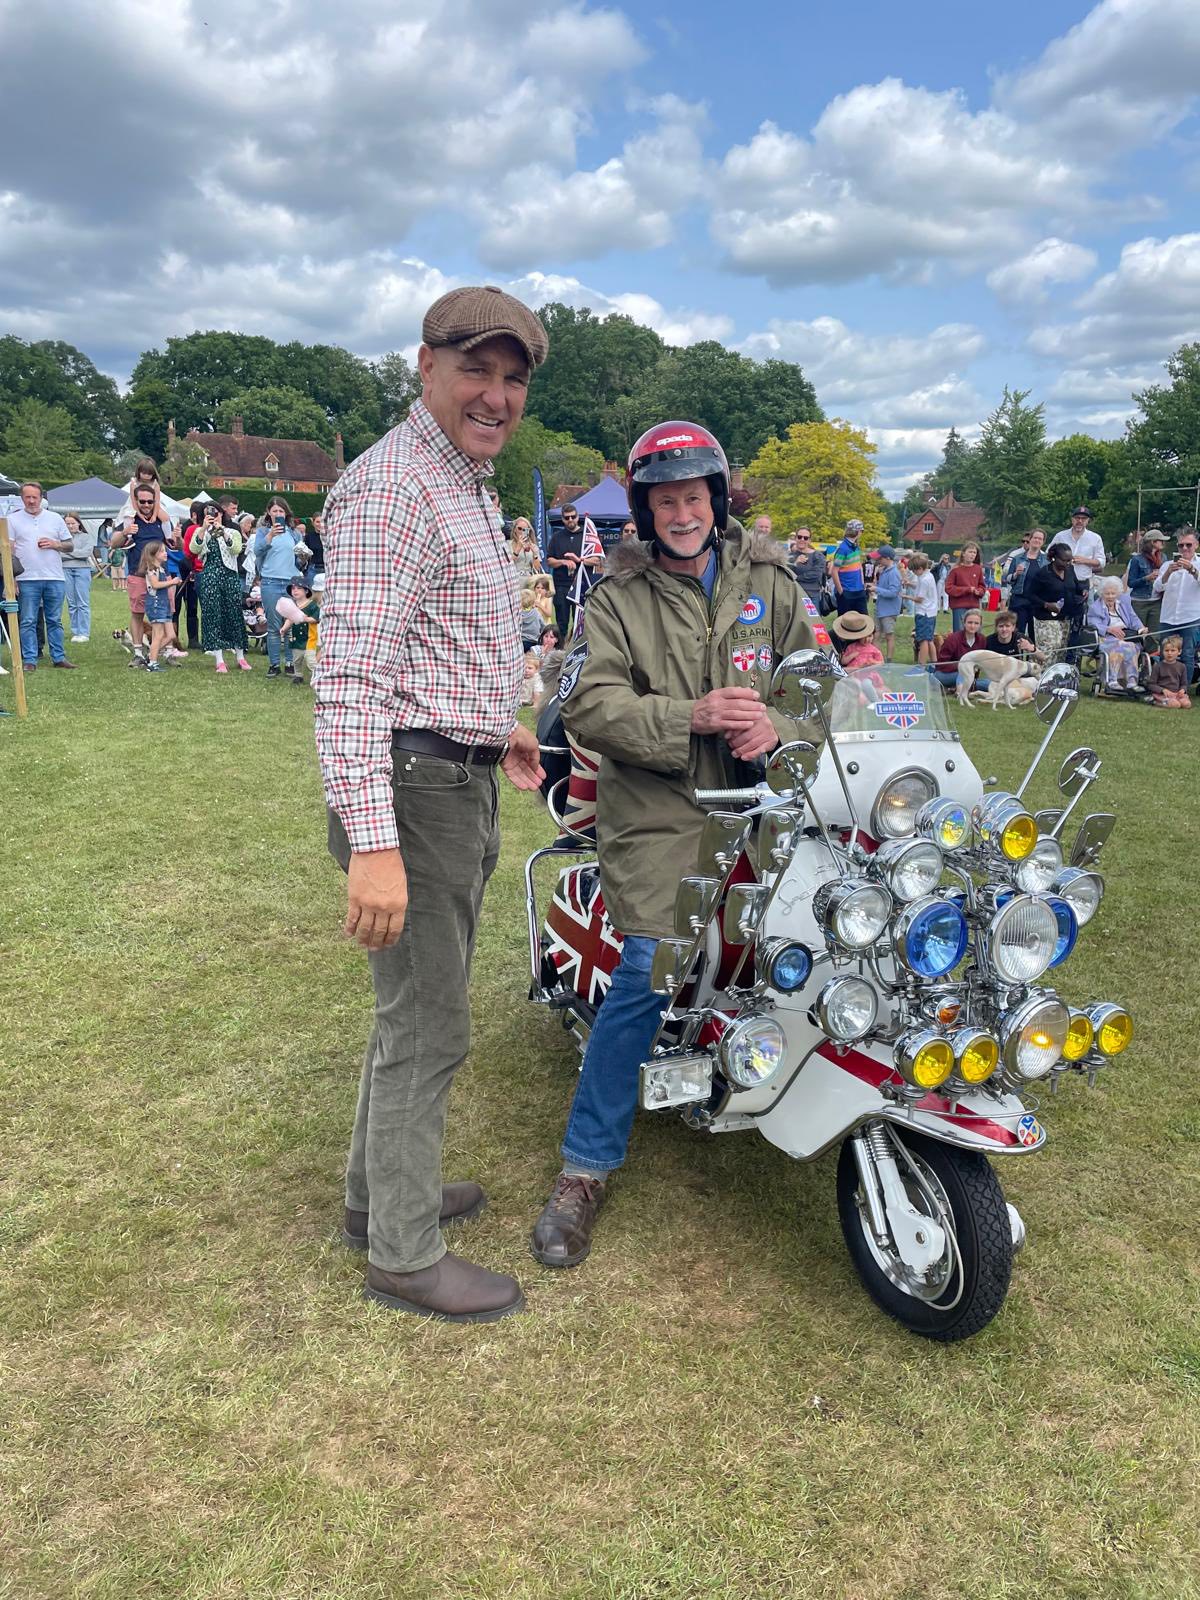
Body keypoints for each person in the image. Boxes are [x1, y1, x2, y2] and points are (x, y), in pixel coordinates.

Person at [528, 419, 821, 1270]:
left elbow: (827, 690)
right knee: (652, 961)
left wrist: (782, 722)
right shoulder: (614, 595)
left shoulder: (774, 580)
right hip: (659, 810)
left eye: (693, 497)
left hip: (766, 803)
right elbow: (584, 705)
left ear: (716, 497)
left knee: (829, 930)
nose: (681, 514)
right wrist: (686, 719)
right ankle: (585, 1168)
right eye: (664, 501)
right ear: (645, 510)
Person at [315, 283, 548, 1324]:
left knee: (409, 1012)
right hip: (411, 794)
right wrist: (374, 843)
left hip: (452, 773)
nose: (496, 394)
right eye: (475, 370)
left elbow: (435, 642)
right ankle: (405, 1253)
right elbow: (353, 678)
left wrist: (498, 718)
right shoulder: (395, 486)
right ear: (425, 366)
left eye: (513, 377)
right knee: (432, 1028)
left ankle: (379, 1199)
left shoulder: (461, 479)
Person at [110, 481, 180, 667]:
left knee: (167, 614)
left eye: (150, 501)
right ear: (135, 501)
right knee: (138, 613)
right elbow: (113, 543)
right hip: (138, 574)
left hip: (161, 575)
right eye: (142, 501)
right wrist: (125, 532)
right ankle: (139, 653)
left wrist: (178, 537)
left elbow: (175, 545)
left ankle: (167, 652)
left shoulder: (162, 520)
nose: (146, 505)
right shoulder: (129, 518)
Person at [7, 482, 75, 671]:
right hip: (26, 577)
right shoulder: (12, 520)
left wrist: (55, 544)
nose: (31, 501)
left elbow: (70, 546)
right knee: (28, 619)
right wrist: (12, 579)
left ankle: (58, 657)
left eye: (34, 497)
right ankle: (30, 659)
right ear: (22, 498)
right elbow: (9, 551)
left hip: (54, 577)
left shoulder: (55, 518)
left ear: (41, 498)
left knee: (55, 619)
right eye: (27, 497)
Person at [252, 496, 310, 680]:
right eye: (275, 511)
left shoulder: (295, 534)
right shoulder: (263, 531)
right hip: (270, 581)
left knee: (292, 625)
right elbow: (257, 551)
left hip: (290, 582)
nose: (278, 514)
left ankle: (291, 663)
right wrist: (270, 535)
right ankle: (274, 664)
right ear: (269, 512)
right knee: (274, 626)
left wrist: (304, 558)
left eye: (281, 511)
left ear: (286, 513)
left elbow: (300, 561)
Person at [193, 508, 251, 673]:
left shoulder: (233, 531)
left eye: (215, 513)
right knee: (213, 614)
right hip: (210, 576)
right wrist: (204, 529)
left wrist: (223, 531)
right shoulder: (201, 531)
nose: (212, 517)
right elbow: (194, 549)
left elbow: (236, 550)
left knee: (234, 613)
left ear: (221, 515)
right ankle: (219, 659)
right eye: (207, 514)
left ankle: (240, 656)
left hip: (230, 576)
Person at [1152, 527, 1200, 686]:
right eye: (1181, 545)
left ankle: (1183, 688)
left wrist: (1192, 570)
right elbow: (1157, 588)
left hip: (1190, 617)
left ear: (1196, 545)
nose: (1185, 548)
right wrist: (1167, 573)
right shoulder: (1167, 565)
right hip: (1168, 616)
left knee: (1187, 654)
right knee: (1165, 653)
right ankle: (1165, 685)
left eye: (1188, 545)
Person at [546, 504, 602, 637]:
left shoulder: (587, 535)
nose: (570, 519)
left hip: (581, 584)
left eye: (573, 516)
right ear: (563, 519)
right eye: (567, 517)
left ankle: (579, 652)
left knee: (581, 622)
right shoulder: (557, 537)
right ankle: (560, 652)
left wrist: (579, 560)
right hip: (561, 585)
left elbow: (596, 560)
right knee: (561, 623)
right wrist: (563, 562)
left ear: (578, 517)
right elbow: (549, 561)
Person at [1087, 577, 1148, 695]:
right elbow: (1092, 623)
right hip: (1106, 639)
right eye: (1107, 593)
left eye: (1113, 593)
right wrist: (1109, 628)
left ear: (1118, 593)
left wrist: (1141, 628)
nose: (1110, 596)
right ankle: (1112, 681)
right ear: (1101, 593)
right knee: (1122, 646)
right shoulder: (1096, 607)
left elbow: (1133, 618)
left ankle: (1131, 682)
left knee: (1130, 646)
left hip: (1126, 638)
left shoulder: (1123, 604)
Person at [1026, 540, 1085, 660]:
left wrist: (1083, 592)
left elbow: (1077, 586)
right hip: (1046, 618)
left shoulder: (1070, 570)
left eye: (1070, 560)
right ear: (1054, 558)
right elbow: (1030, 594)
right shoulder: (1043, 573)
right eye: (1064, 560)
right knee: (1048, 650)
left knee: (1060, 651)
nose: (1068, 563)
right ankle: (1039, 676)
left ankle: (1055, 677)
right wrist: (1046, 605)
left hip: (1065, 618)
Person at [139, 542, 179, 672]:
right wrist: (172, 582)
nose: (165, 553)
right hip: (156, 604)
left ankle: (150, 656)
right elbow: (155, 585)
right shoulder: (152, 569)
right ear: (153, 555)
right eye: (162, 551)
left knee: (171, 634)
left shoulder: (161, 568)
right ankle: (153, 663)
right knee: (158, 634)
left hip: (164, 604)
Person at [1004, 530, 1046, 640]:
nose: (1037, 540)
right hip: (1019, 601)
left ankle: (1032, 657)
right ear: (1030, 540)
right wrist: (1015, 574)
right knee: (1017, 633)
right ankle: (1016, 656)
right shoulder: (1018, 558)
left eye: (1040, 539)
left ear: (1043, 542)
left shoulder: (1046, 560)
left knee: (1035, 635)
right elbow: (1007, 579)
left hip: (1037, 602)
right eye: (1035, 538)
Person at [930, 608, 986, 688]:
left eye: (976, 623)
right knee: (963, 675)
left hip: (970, 675)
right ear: (964, 623)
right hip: (946, 674)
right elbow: (941, 665)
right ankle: (964, 688)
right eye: (970, 622)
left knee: (989, 684)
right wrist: (962, 666)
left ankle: (968, 685)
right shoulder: (953, 639)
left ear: (980, 625)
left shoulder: (982, 639)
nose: (972, 626)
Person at [61, 512, 95, 643]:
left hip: (82, 570)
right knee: (71, 602)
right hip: (65, 569)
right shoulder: (61, 538)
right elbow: (58, 553)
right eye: (67, 524)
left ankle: (84, 632)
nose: (70, 526)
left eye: (72, 523)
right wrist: (75, 553)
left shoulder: (86, 537)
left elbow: (86, 553)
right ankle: (76, 631)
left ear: (78, 523)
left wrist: (67, 552)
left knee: (82, 601)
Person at [1054, 506, 1105, 589]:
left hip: (1084, 584)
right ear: (1072, 519)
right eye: (1077, 518)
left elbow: (1102, 562)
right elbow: (1048, 555)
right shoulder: (1060, 536)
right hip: (1061, 582)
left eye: (1084, 518)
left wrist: (1085, 561)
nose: (1080, 521)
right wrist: (1061, 561)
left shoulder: (1095, 538)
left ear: (1088, 521)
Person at [282, 576, 320, 686]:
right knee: (296, 660)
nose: (295, 590)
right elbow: (290, 619)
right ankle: (298, 675)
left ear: (306, 590)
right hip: (296, 638)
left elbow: (316, 619)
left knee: (311, 661)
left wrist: (305, 618)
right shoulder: (292, 605)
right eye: (293, 588)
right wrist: (284, 628)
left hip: (309, 639)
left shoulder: (312, 605)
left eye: (299, 588)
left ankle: (318, 676)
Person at [1125, 530, 1166, 633]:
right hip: (1139, 601)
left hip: (1157, 601)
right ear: (1153, 542)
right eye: (1160, 540)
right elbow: (1130, 583)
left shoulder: (1163, 558)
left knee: (1154, 634)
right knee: (1138, 632)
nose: (1163, 543)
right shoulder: (1137, 559)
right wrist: (1146, 578)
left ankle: (1152, 650)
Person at [945, 542, 986, 631]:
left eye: (974, 553)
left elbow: (982, 586)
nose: (972, 555)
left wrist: (979, 591)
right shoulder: (955, 569)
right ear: (963, 553)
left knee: (976, 633)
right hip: (959, 607)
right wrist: (967, 590)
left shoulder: (978, 569)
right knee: (959, 634)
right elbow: (949, 588)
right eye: (970, 552)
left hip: (974, 606)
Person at [871, 545, 902, 660]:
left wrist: (876, 589)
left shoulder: (894, 573)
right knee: (876, 634)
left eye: (880, 558)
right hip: (880, 608)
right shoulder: (884, 570)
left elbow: (893, 592)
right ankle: (878, 658)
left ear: (888, 558)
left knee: (889, 635)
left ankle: (889, 660)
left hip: (889, 610)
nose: (878, 560)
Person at [830, 519, 867, 614]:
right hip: (846, 591)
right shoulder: (842, 548)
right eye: (861, 531)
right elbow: (834, 571)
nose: (861, 533)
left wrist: (862, 584)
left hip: (859, 590)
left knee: (864, 621)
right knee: (845, 623)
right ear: (858, 532)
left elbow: (859, 566)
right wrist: (841, 592)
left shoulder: (856, 546)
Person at [909, 553, 939, 665]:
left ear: (920, 568)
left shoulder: (924, 580)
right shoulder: (928, 575)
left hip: (924, 613)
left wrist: (905, 596)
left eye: (914, 570)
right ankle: (934, 664)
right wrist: (910, 584)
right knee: (930, 639)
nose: (913, 573)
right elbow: (919, 587)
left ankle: (921, 666)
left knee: (923, 641)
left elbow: (919, 599)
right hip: (931, 613)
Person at [1146, 634, 1190, 708]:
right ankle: (1155, 702)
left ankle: (1171, 701)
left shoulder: (1182, 666)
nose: (1169, 653)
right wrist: (1163, 690)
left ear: (1179, 652)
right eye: (1166, 650)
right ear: (1162, 651)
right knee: (1176, 705)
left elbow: (1184, 684)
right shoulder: (1158, 666)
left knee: (1186, 704)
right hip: (1162, 694)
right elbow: (1151, 685)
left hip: (1176, 694)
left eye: (1173, 650)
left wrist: (1182, 690)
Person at [787, 527, 825, 602]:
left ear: (809, 540)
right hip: (793, 595)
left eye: (806, 538)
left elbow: (816, 574)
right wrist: (795, 563)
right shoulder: (789, 556)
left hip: (812, 596)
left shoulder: (818, 556)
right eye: (799, 537)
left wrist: (796, 578)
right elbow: (786, 574)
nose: (802, 539)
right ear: (796, 539)